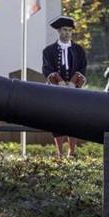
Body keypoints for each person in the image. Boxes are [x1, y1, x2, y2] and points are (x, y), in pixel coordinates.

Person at [42, 15, 87, 159]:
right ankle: (60, 153)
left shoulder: (79, 50)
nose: (67, 33)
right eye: (64, 30)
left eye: (69, 30)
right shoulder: (48, 51)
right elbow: (46, 68)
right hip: (56, 91)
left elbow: (82, 67)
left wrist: (74, 82)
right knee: (57, 120)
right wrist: (58, 80)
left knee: (73, 120)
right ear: (59, 31)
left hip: (74, 91)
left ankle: (72, 152)